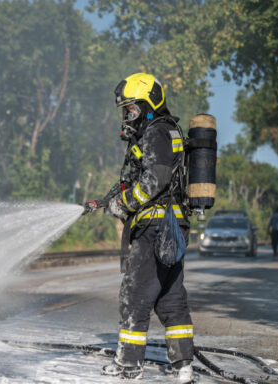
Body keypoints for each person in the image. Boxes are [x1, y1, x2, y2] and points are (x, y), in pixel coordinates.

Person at [83, 73, 196, 383]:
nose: (127, 116)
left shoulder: (156, 133)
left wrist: (125, 205)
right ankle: (184, 365)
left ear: (148, 106)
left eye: (131, 109)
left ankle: (129, 365)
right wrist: (104, 201)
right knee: (171, 297)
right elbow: (131, 177)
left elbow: (153, 180)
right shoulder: (166, 130)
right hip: (172, 224)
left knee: (135, 296)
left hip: (154, 226)